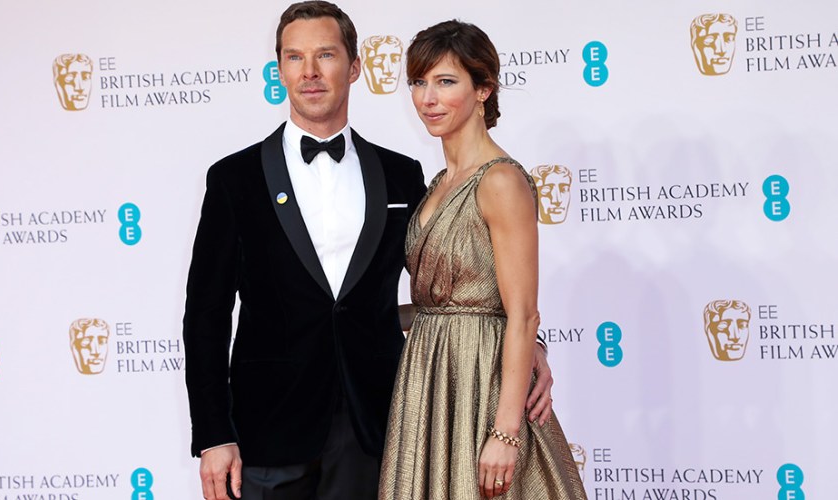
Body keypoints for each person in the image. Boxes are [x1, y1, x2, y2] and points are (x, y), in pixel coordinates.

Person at [183, 4, 554, 499]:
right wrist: (214, 435)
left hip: (379, 427)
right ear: (280, 70)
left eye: (326, 55)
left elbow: (463, 282)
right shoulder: (234, 179)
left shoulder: (401, 175)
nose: (310, 72)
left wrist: (533, 344)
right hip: (267, 430)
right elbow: (204, 316)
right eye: (294, 57)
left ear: (354, 67)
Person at [379, 20, 587, 499]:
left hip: (484, 384)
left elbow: (522, 312)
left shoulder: (500, 181)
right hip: (429, 380)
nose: (428, 98)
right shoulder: (436, 184)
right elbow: (444, 301)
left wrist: (506, 432)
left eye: (446, 82)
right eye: (419, 82)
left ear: (483, 90)